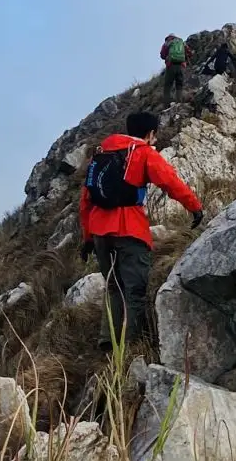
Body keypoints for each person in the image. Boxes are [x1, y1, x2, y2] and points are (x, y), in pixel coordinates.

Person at [80, 110, 202, 347]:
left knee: (114, 286)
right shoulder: (143, 153)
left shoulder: (103, 153)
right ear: (150, 133)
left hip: (99, 232)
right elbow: (170, 181)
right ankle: (130, 344)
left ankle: (107, 340)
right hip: (130, 230)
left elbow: (86, 199)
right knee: (135, 290)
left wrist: (87, 238)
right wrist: (195, 206)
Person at [160, 32, 188, 99]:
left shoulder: (167, 43)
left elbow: (162, 55)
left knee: (168, 85)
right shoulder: (182, 42)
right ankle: (179, 101)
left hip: (171, 66)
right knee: (179, 84)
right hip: (181, 66)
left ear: (168, 37)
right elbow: (188, 52)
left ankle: (167, 104)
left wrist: (167, 57)